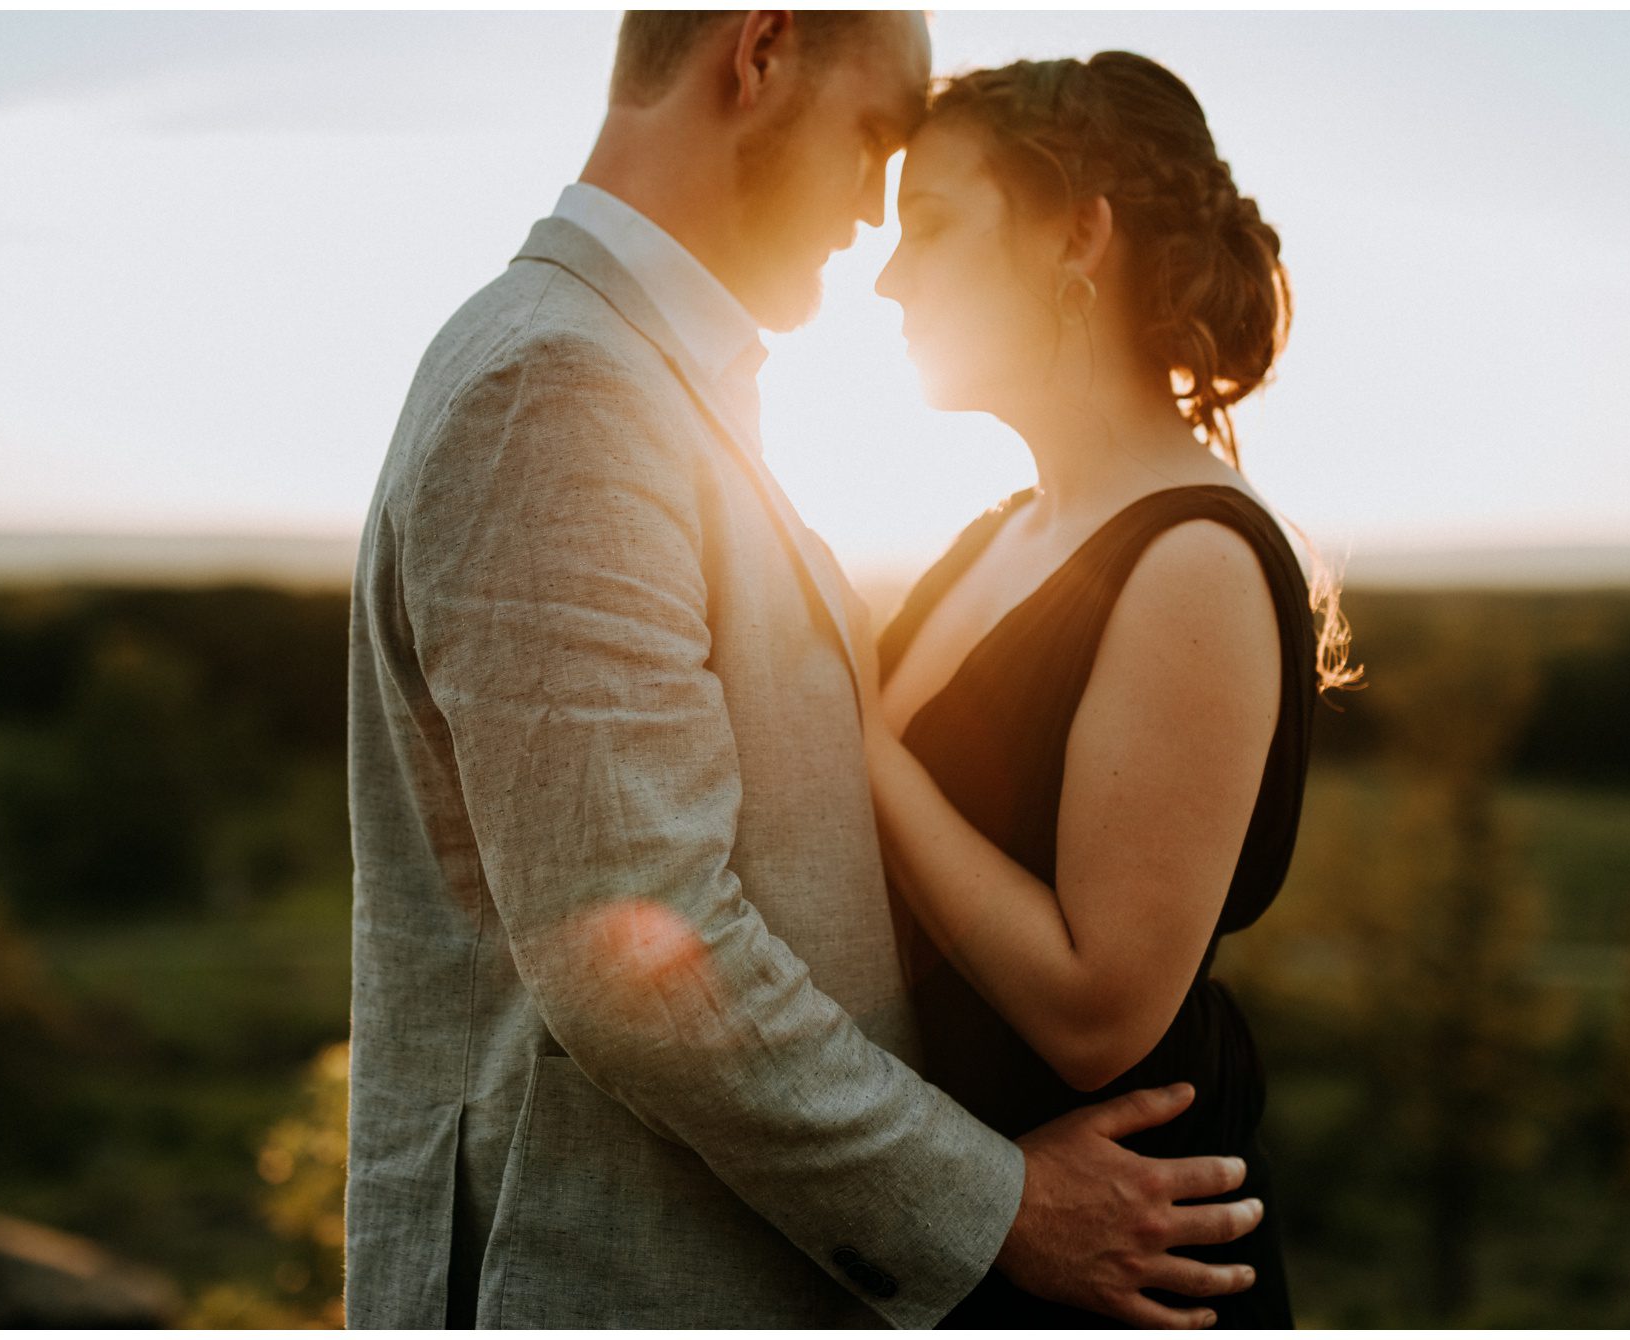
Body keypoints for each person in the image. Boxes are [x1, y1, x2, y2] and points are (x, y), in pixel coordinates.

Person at [346, 12, 1263, 1331]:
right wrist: (999, 1204)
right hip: (613, 1282)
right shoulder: (562, 384)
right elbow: (635, 950)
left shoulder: (655, 383)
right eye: (876, 134)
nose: (876, 208)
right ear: (759, 51)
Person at [848, 52, 1359, 1327]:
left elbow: (1095, 1011)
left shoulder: (1191, 557)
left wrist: (860, 749)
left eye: (932, 226)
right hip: (973, 1235)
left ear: (1077, 234)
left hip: (1124, 1268)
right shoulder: (1000, 531)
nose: (889, 275)